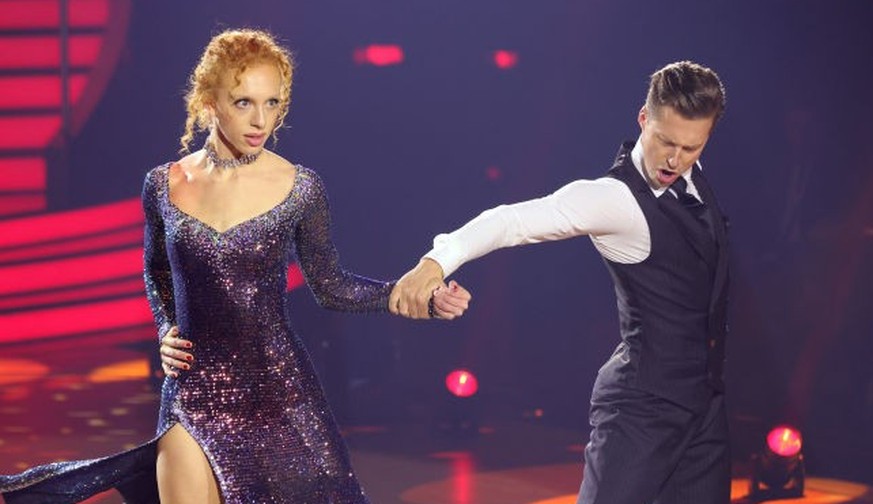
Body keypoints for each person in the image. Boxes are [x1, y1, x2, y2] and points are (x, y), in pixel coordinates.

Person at [0, 28, 469, 504]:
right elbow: (157, 272)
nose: (260, 120)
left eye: (273, 104)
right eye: (244, 102)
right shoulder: (163, 184)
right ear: (209, 101)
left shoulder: (299, 188)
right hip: (193, 394)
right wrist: (165, 329)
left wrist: (417, 298)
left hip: (280, 396)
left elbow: (331, 287)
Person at [390, 60, 732, 504]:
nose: (674, 159)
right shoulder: (612, 199)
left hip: (705, 408)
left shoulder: (692, 180)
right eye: (665, 142)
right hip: (642, 410)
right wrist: (435, 263)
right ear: (644, 119)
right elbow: (512, 220)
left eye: (691, 147)